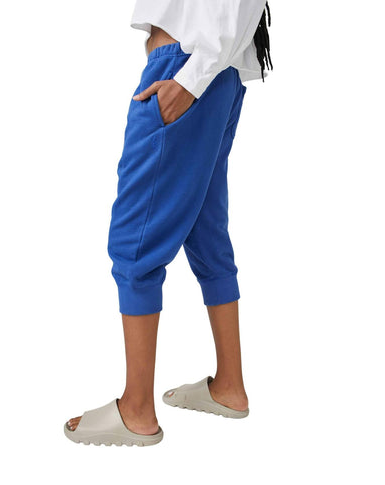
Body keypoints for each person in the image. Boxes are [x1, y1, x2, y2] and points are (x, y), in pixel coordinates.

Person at [64, 0, 272, 447]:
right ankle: (229, 386)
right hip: (213, 73)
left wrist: (189, 80)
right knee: (206, 232)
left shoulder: (190, 73)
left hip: (187, 71)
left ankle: (136, 409)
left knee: (134, 242)